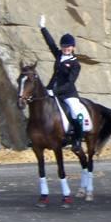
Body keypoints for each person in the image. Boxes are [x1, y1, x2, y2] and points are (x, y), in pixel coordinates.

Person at [38, 15, 90, 152]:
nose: (65, 48)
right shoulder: (59, 55)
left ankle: (77, 140)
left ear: (73, 47)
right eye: (63, 46)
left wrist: (54, 92)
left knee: (75, 112)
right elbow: (50, 44)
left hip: (67, 94)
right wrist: (43, 28)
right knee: (38, 107)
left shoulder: (75, 64)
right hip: (51, 90)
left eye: (68, 46)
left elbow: (69, 83)